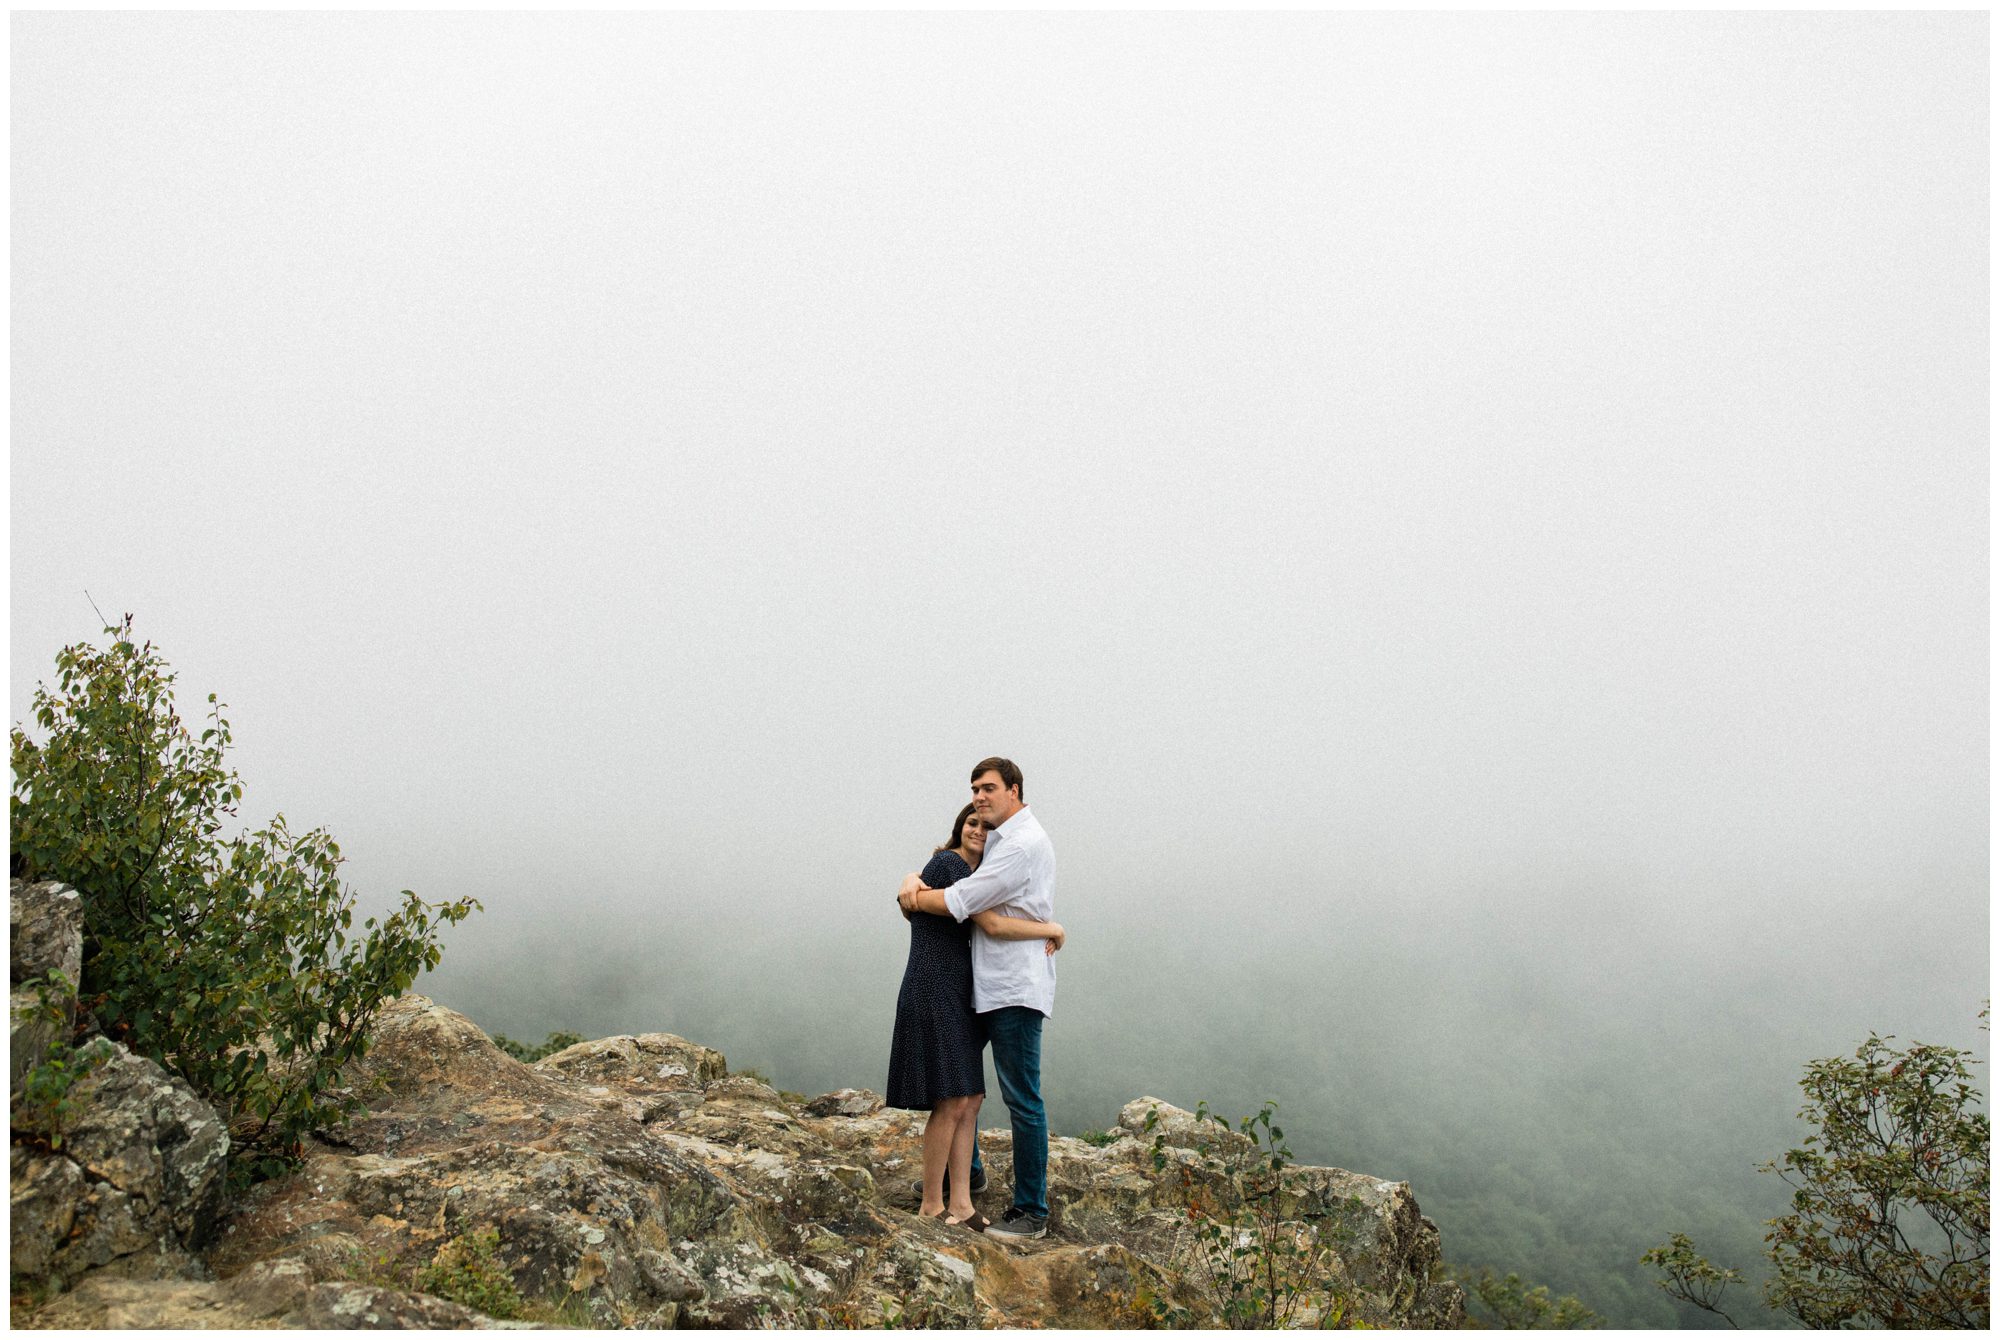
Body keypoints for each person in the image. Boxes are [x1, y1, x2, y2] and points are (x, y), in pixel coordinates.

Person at [899, 757, 1058, 1241]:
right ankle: (964, 1183)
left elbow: (971, 907)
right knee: (964, 1088)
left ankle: (1031, 1210)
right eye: (974, 790)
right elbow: (970, 898)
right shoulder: (999, 842)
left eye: (989, 788)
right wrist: (913, 875)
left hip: (1011, 988)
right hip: (980, 989)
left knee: (1018, 1098)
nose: (980, 797)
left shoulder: (1021, 844)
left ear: (1015, 790)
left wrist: (911, 894)